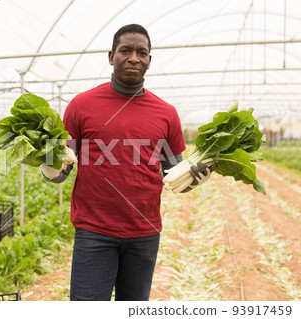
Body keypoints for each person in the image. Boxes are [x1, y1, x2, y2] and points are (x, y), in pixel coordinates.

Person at [40, 24, 215, 301]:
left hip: (144, 232)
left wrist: (198, 176)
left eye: (141, 52)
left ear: (149, 60)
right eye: (126, 51)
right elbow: (59, 173)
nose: (134, 57)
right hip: (94, 231)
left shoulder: (166, 113)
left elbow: (175, 176)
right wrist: (47, 163)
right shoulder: (81, 105)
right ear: (111, 56)